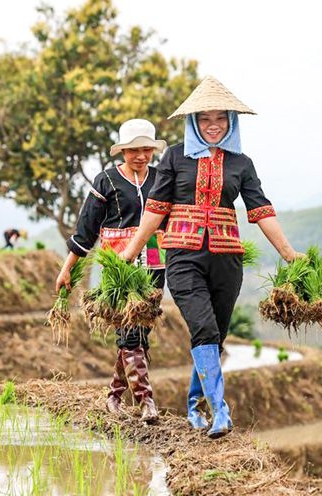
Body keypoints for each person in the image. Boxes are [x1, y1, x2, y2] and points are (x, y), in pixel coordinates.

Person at [120, 76, 302, 439]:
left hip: (227, 259)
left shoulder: (241, 163)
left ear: (231, 122)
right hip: (183, 255)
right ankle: (221, 410)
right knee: (202, 327)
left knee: (215, 336)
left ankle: (194, 405)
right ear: (193, 122)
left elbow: (261, 209)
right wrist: (131, 250)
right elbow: (156, 208)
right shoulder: (174, 156)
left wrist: (289, 254)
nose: (213, 125)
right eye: (205, 119)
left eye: (220, 118)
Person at [55, 118, 168, 424]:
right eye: (134, 150)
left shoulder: (161, 178)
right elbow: (85, 230)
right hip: (118, 270)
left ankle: (115, 396)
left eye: (146, 149)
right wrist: (67, 269)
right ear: (122, 152)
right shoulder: (106, 180)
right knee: (129, 332)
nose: (141, 156)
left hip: (155, 267)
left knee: (139, 333)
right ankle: (146, 402)